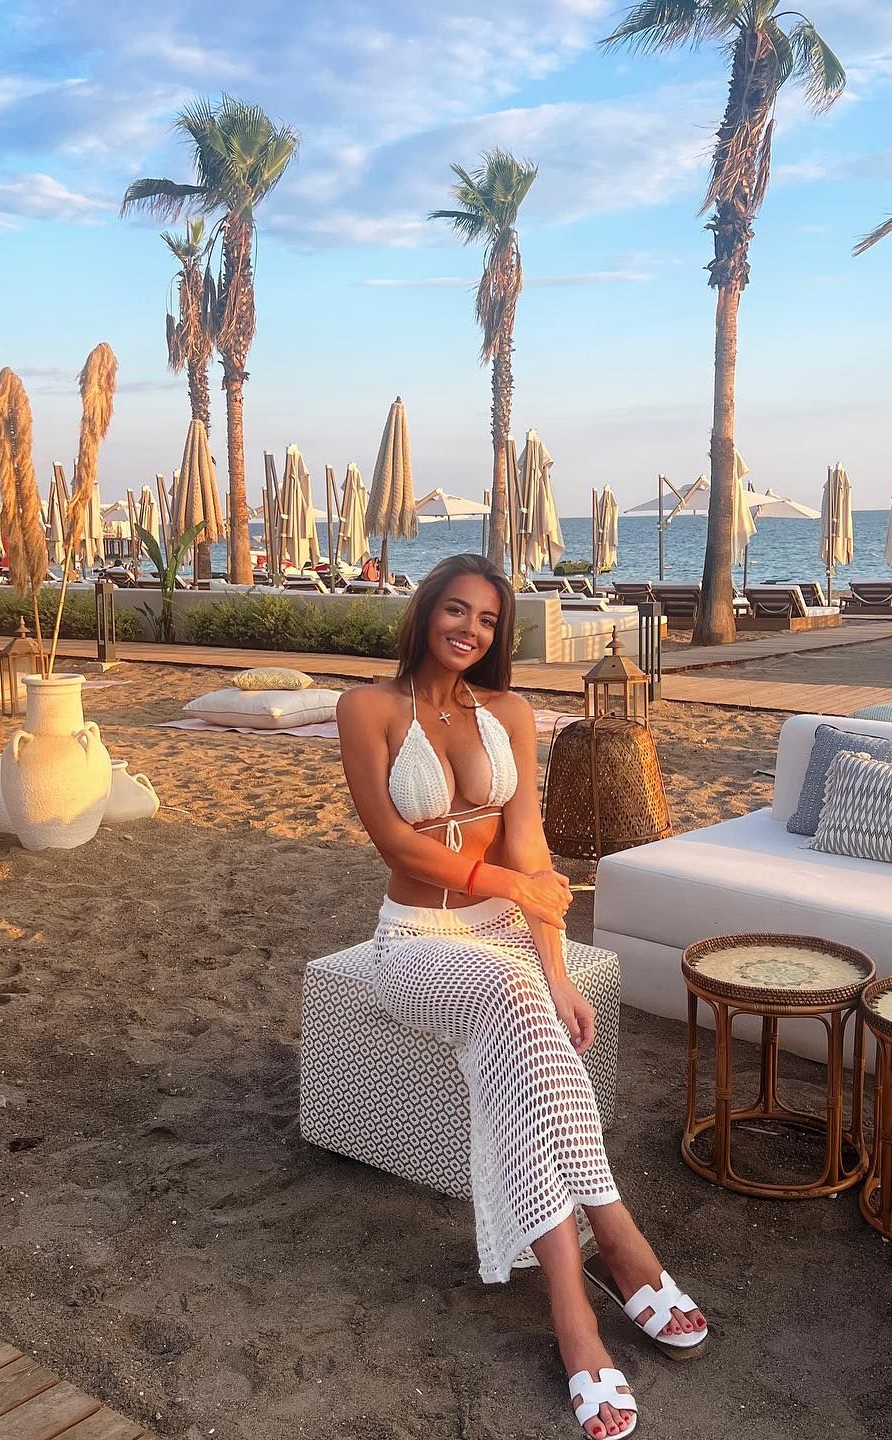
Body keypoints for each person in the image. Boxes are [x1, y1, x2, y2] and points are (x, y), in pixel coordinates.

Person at [337, 554, 706, 1439]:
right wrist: (511, 890)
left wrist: (557, 969)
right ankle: (616, 1248)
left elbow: (531, 850)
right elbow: (394, 840)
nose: (470, 630)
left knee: (528, 1043)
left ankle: (575, 1307)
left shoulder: (506, 712)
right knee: (515, 1002)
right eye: (456, 610)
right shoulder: (368, 708)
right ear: (426, 612)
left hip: (505, 935)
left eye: (488, 620)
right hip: (417, 940)